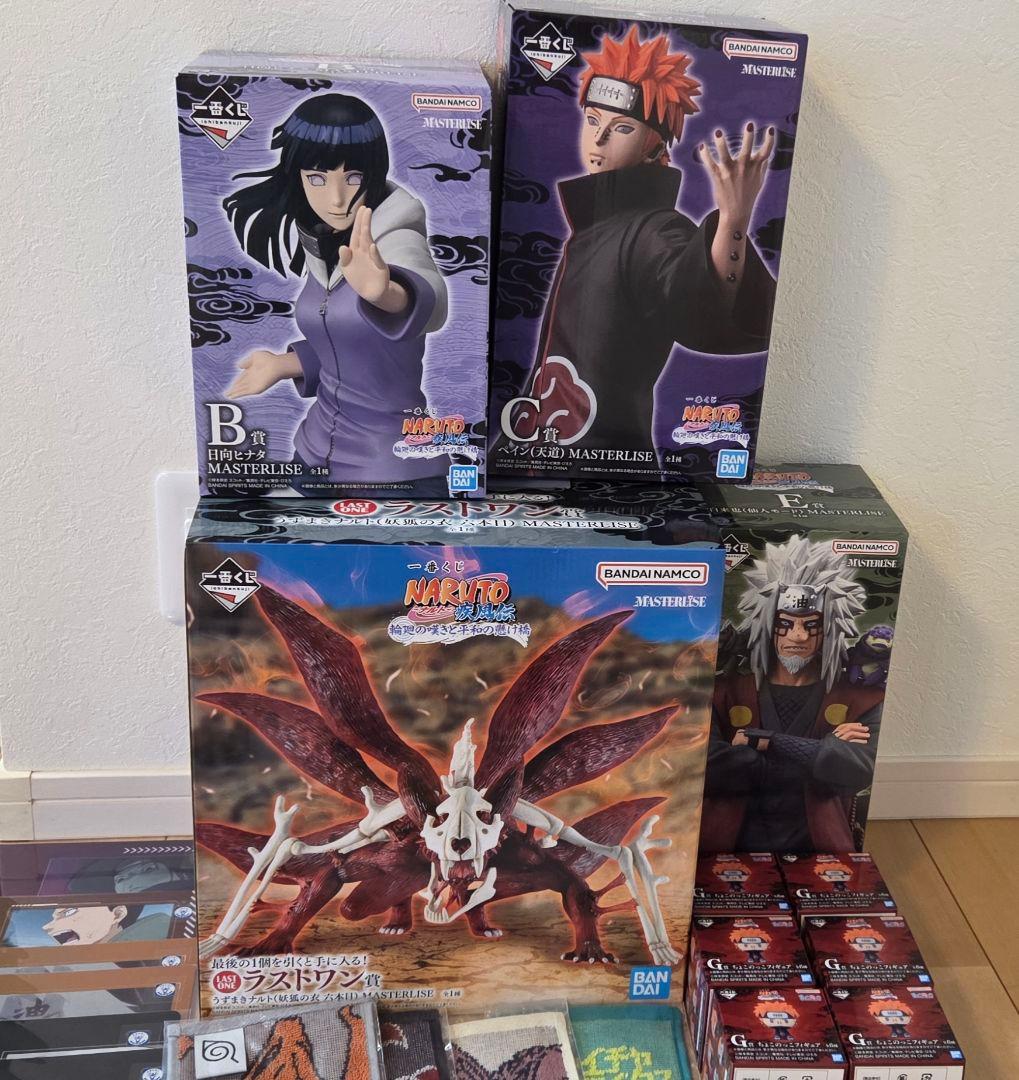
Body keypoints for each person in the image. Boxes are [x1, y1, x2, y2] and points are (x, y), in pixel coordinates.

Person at [500, 25, 776, 456]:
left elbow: (696, 306)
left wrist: (733, 221)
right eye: (593, 120)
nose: (598, 139)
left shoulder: (655, 229)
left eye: (622, 127)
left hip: (605, 457)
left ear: (654, 145)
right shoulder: (593, 226)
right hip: (542, 448)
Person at [223, 94, 448, 486]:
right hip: (312, 455)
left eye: (353, 177)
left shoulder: (393, 238)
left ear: (373, 173)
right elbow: (347, 346)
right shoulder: (324, 244)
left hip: (392, 467)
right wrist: (283, 364)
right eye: (317, 178)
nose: (337, 198)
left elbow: (431, 303)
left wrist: (386, 294)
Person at [700, 536, 883, 852]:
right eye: (785, 623)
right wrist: (822, 752)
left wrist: (766, 741)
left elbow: (859, 770)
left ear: (830, 628)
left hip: (820, 848)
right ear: (766, 625)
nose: (798, 636)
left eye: (811, 625)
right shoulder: (723, 691)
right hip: (727, 847)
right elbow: (704, 767)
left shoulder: (860, 698)